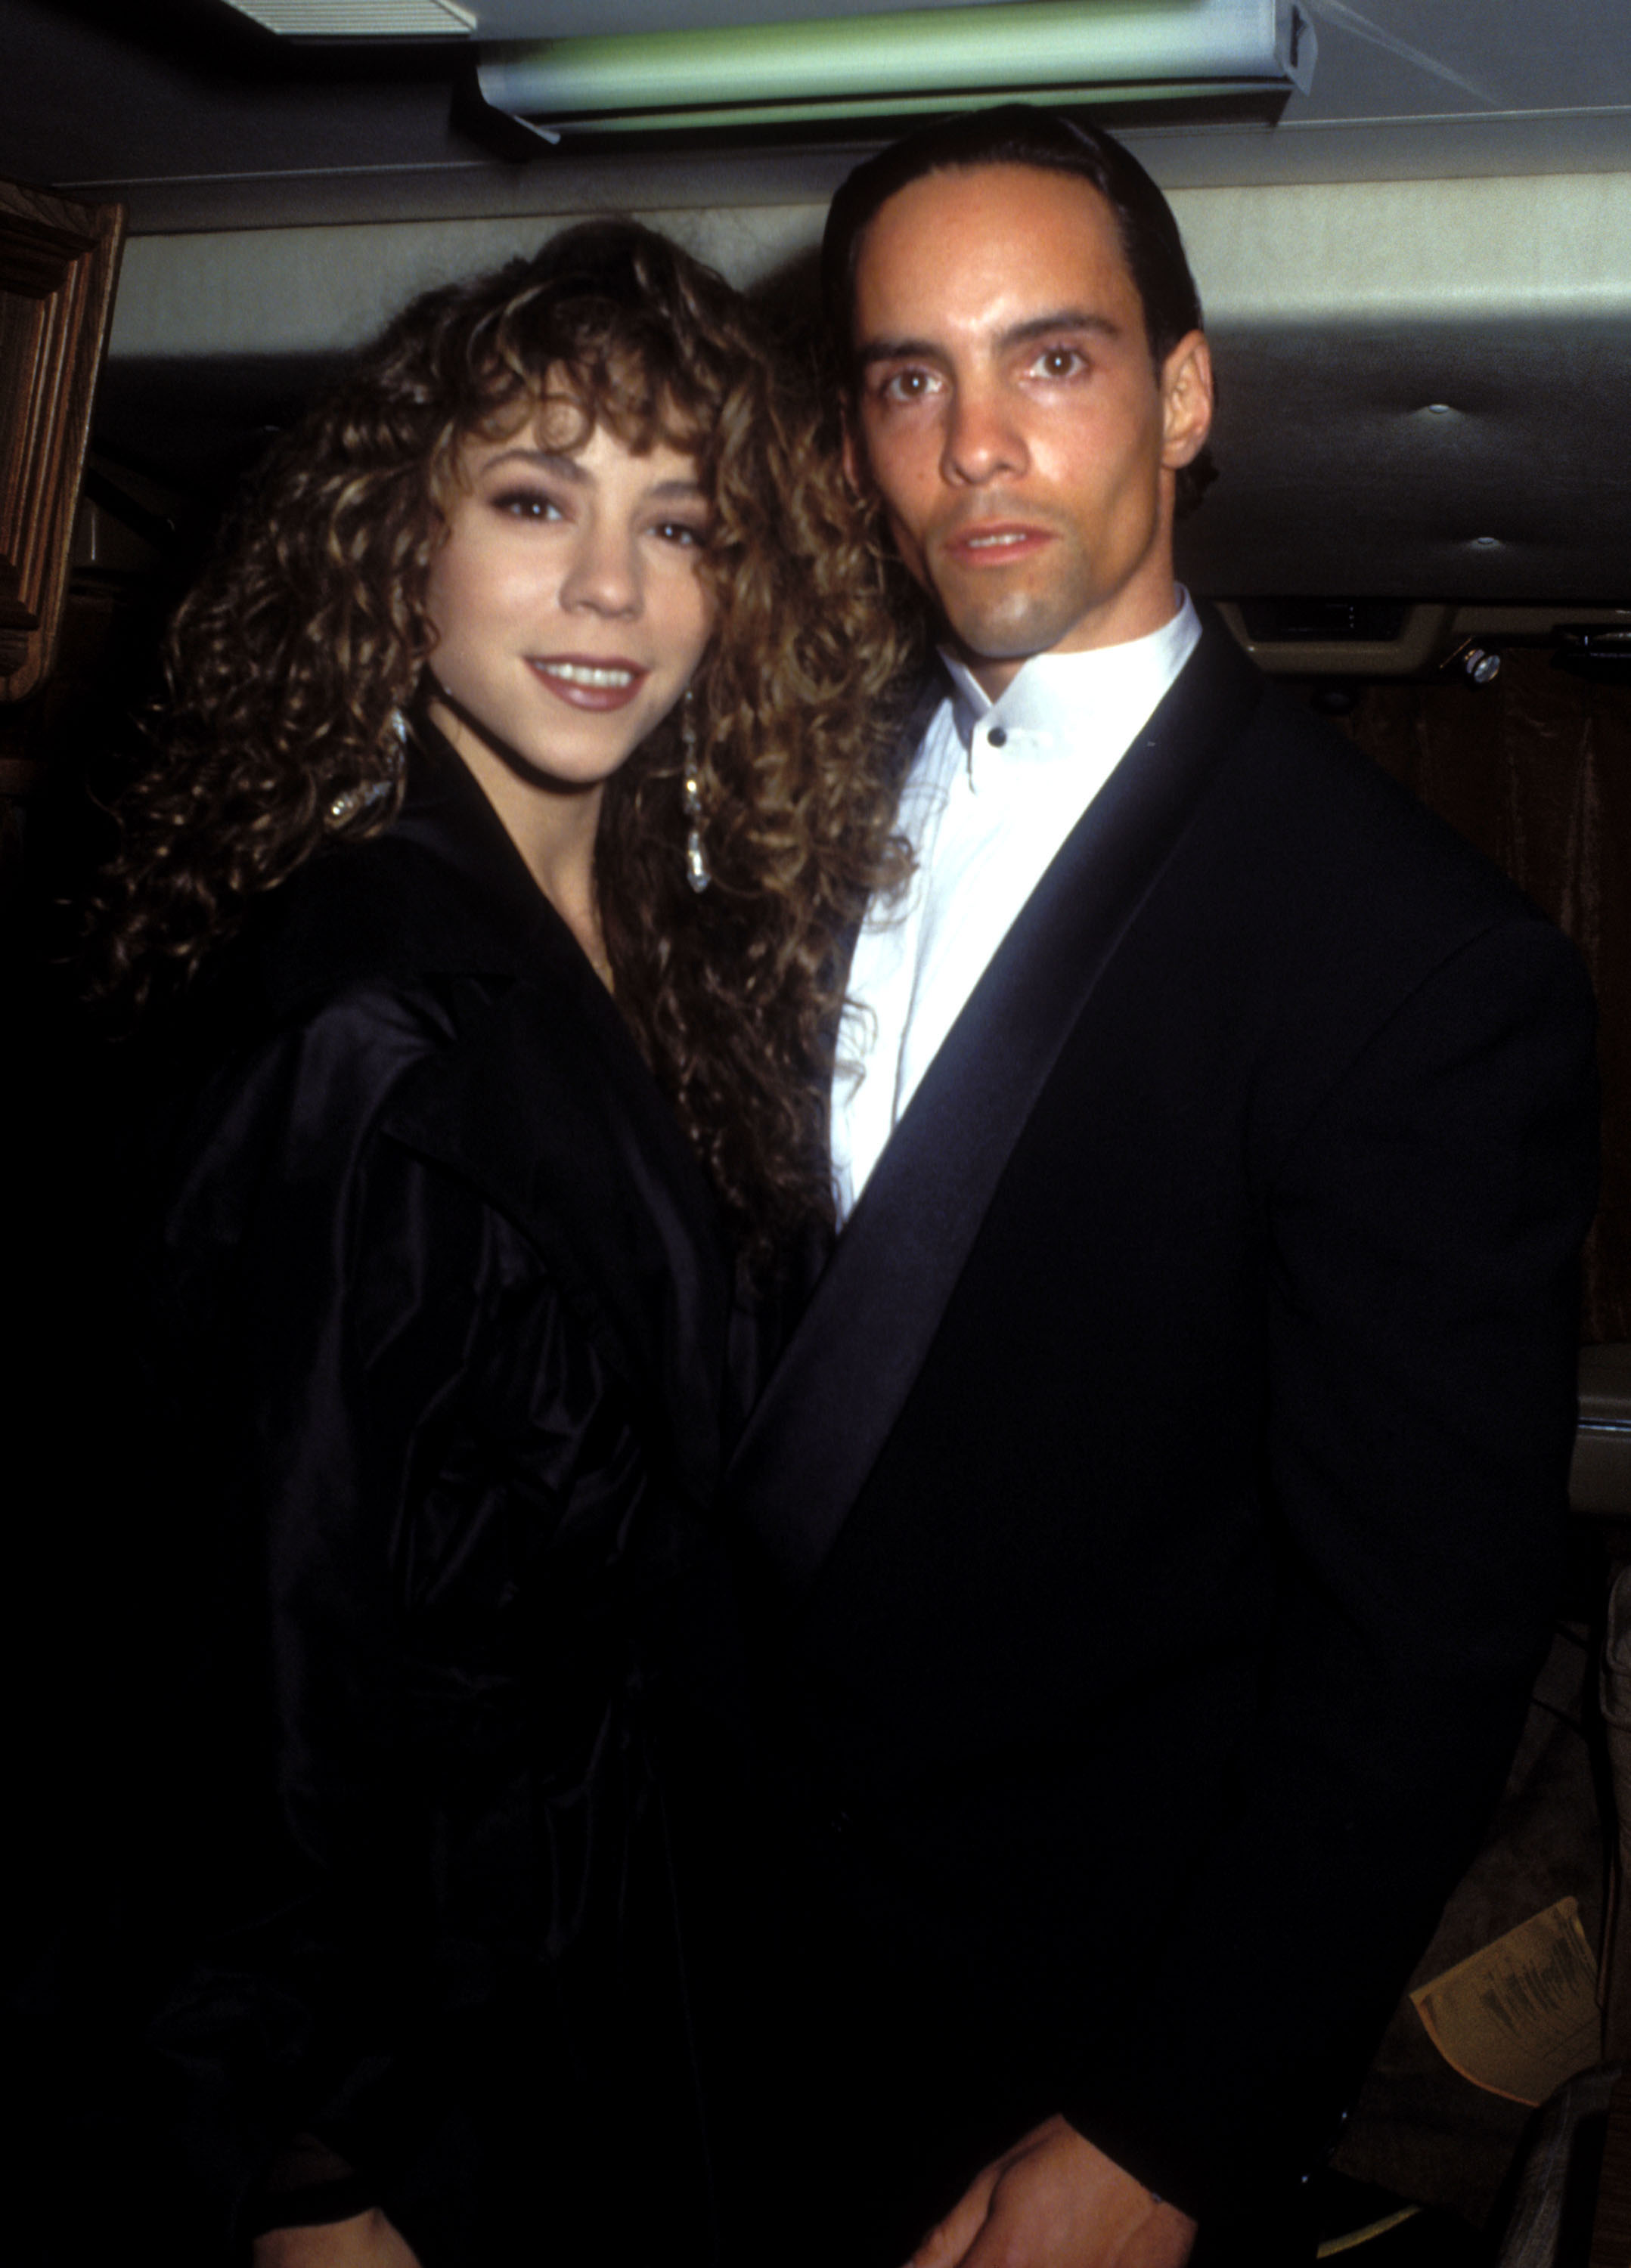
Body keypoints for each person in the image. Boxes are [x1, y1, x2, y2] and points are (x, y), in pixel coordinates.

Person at [723, 106, 1600, 2268]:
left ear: (1185, 398)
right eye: (910, 379)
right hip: (656, 1996)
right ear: (854, 445)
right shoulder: (753, 816)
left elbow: (1418, 1651)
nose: (976, 447)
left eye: (1054, 359)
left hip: (1034, 2068)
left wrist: (1170, 2131)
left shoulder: (1410, 959)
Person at [67, 218, 909, 2267]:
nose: (611, 592)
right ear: (399, 548)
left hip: (631, 1988)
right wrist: (322, 2183)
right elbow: (239, 1665)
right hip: (413, 2079)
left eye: (682, 526)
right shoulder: (365, 1015)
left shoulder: (680, 966)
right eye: (537, 501)